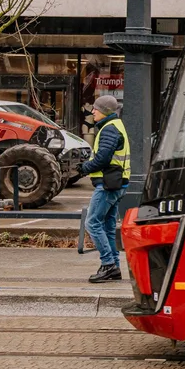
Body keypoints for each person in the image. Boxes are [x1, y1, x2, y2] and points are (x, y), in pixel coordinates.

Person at [79, 95, 130, 283]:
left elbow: (102, 158)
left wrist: (84, 168)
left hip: (108, 184)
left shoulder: (109, 129)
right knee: (108, 226)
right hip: (118, 183)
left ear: (105, 111)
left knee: (92, 223)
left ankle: (108, 264)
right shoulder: (116, 126)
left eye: (96, 109)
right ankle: (115, 267)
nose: (93, 112)